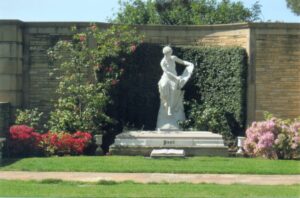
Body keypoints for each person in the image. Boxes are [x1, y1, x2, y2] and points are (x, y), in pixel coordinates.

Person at [156, 46, 194, 131]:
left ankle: (169, 108)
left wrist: (189, 64)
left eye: (171, 52)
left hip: (174, 78)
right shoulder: (162, 62)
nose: (171, 54)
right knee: (163, 85)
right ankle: (166, 103)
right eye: (169, 53)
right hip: (167, 77)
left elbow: (182, 62)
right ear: (166, 53)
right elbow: (167, 72)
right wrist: (176, 78)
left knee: (173, 91)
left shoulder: (173, 58)